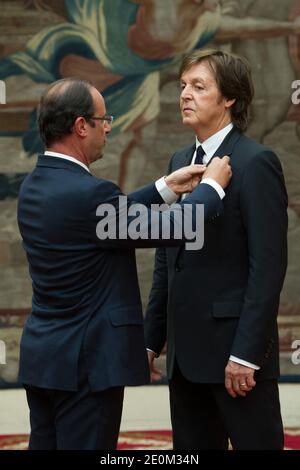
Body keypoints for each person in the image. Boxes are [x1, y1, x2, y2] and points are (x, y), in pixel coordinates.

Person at [17, 77, 231, 450]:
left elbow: (100, 221)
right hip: (88, 366)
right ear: (81, 127)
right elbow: (174, 227)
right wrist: (212, 187)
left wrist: (165, 186)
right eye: (105, 121)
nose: (108, 130)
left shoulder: (36, 185)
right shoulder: (89, 194)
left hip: (46, 360)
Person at [145, 49, 288, 450]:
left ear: (230, 99)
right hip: (184, 363)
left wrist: (246, 354)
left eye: (199, 86)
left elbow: (268, 268)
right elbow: (166, 260)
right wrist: (150, 339)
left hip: (238, 363)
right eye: (183, 86)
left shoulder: (256, 161)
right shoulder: (179, 162)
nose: (185, 95)